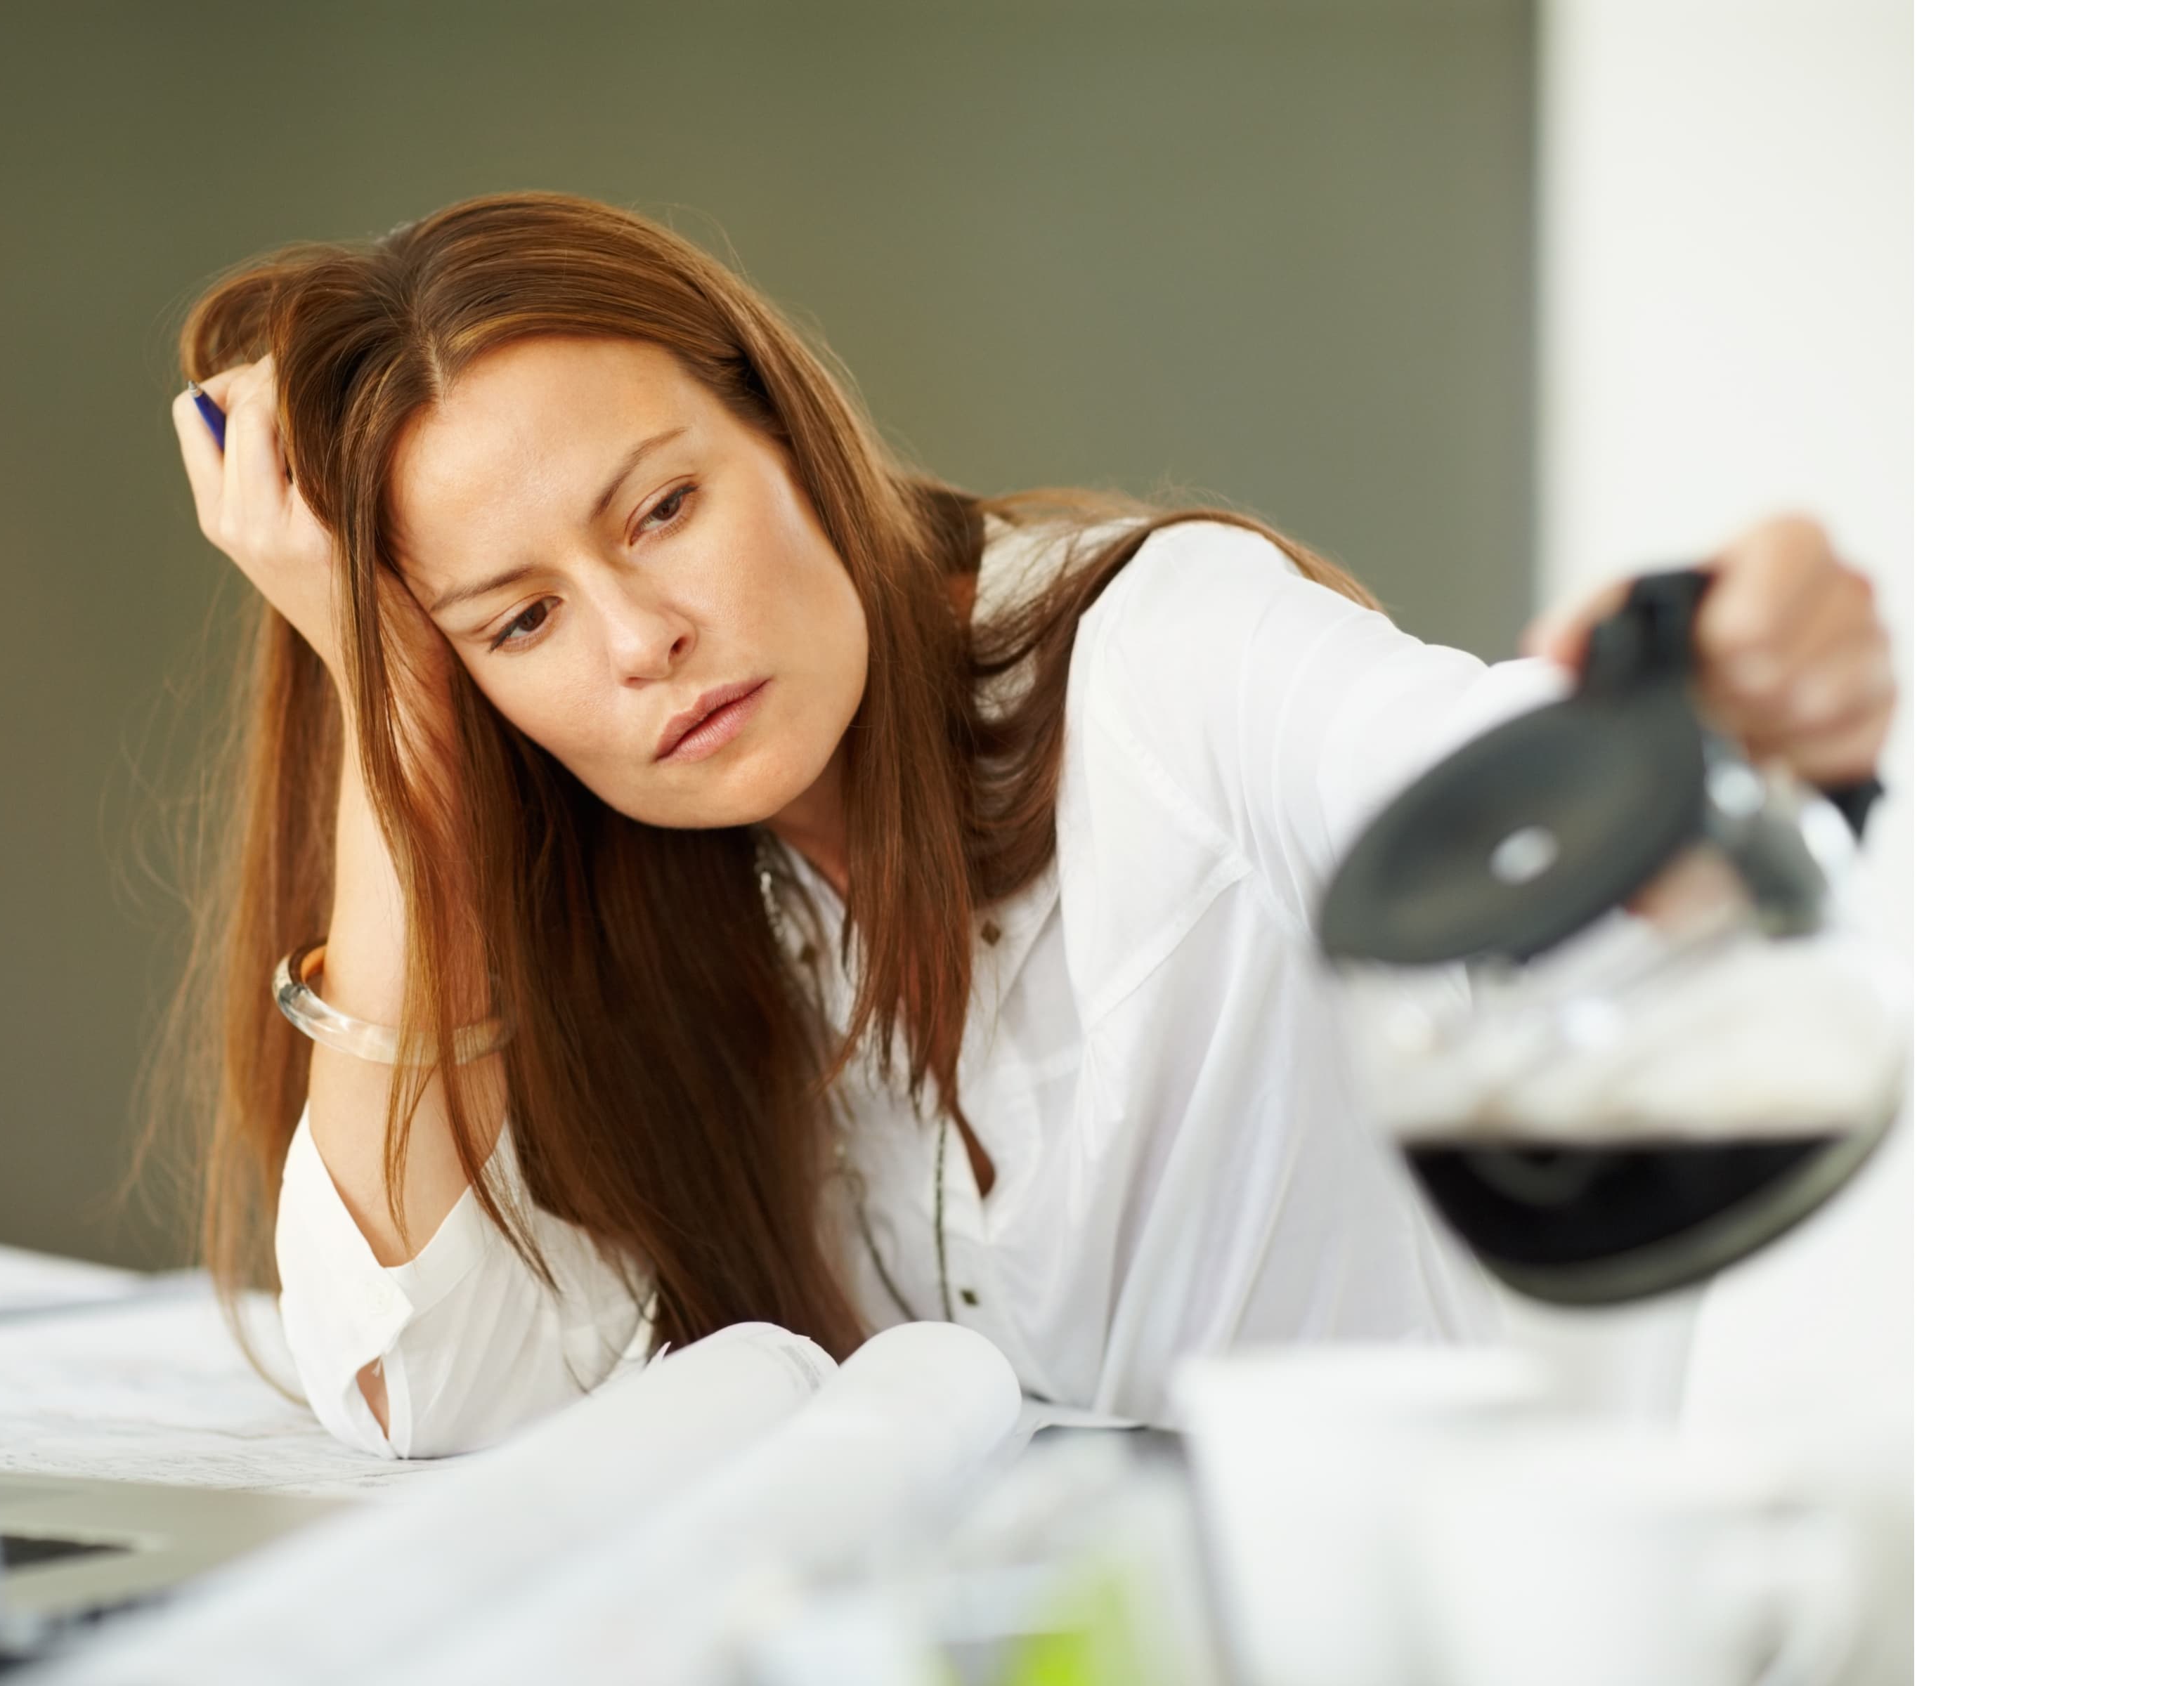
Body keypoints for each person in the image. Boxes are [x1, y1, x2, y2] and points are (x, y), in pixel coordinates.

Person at [150, 191, 1896, 1459]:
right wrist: (393, 713)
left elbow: (1493, 796)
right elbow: (430, 1382)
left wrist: (1727, 726)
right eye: (514, 622)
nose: (635, 641)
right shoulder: (622, 896)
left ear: (785, 430)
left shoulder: (1165, 655)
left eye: (662, 508)